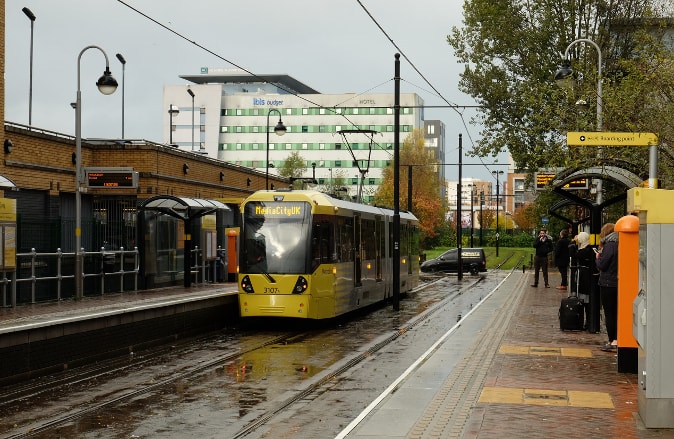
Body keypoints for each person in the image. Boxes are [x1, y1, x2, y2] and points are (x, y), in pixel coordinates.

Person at [596, 223, 618, 351]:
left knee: (609, 313)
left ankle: (613, 340)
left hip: (608, 283)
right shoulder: (620, 243)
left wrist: (597, 258)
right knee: (616, 312)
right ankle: (617, 338)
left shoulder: (610, 245)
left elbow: (603, 265)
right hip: (618, 282)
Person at [568, 232, 596, 329]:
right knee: (584, 300)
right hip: (582, 277)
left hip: (584, 278)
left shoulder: (586, 250)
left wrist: (573, 245)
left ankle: (588, 322)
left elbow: (574, 254)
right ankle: (586, 322)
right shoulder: (586, 249)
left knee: (585, 300)